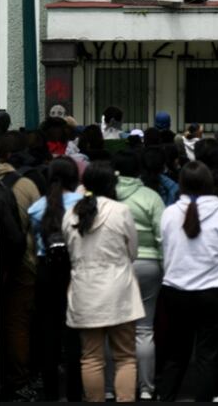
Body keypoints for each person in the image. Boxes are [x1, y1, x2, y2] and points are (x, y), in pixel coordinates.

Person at [62, 163, 144, 403]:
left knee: (90, 358)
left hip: (84, 291)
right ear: (111, 184)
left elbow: (70, 251)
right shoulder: (121, 211)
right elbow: (133, 251)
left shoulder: (71, 214)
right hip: (119, 290)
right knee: (125, 357)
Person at [157, 161, 218, 402]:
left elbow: (166, 250)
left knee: (175, 353)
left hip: (175, 290)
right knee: (207, 354)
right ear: (209, 184)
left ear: (180, 184)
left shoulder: (169, 213)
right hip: (213, 292)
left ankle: (166, 397)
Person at [28, 157, 83, 401]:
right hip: (75, 270)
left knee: (48, 332)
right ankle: (74, 391)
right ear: (75, 178)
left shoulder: (37, 207)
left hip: (45, 271)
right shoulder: (83, 204)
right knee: (74, 332)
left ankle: (49, 391)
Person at [112, 150, 165, 401]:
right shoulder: (151, 196)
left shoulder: (106, 196)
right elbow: (162, 236)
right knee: (144, 329)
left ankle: (112, 388)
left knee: (111, 326)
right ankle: (146, 388)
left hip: (114, 265)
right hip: (148, 264)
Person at [0, 133, 41, 401]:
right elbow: (37, 225)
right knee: (17, 323)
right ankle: (18, 378)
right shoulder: (25, 184)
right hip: (21, 263)